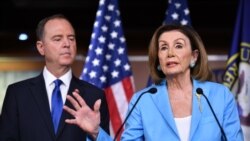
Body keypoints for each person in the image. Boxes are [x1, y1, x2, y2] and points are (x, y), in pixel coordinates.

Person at [63, 24, 244, 141]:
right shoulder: (143, 101)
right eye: (163, 47)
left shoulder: (219, 96)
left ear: (194, 57)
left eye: (178, 46)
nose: (170, 53)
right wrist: (96, 132)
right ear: (158, 59)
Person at [0, 14, 110, 141]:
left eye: (71, 38)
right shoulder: (17, 94)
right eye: (58, 39)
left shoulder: (95, 96)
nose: (67, 44)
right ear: (41, 48)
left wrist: (95, 133)